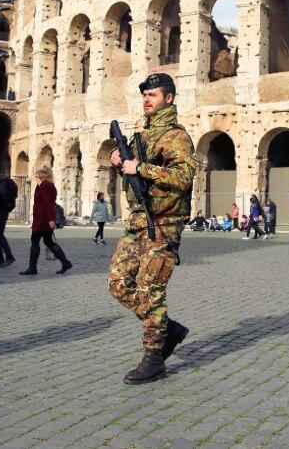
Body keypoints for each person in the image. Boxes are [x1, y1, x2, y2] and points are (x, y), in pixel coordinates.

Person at [108, 73, 197, 385]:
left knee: (150, 290)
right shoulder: (141, 137)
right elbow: (134, 179)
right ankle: (166, 328)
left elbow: (183, 177)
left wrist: (140, 167)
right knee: (118, 283)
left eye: (153, 95)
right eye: (145, 95)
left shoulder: (176, 137)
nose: (147, 100)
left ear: (168, 98)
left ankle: (154, 358)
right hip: (137, 223)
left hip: (163, 225)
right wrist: (120, 163)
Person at [19, 167, 72, 275]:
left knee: (35, 242)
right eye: (38, 171)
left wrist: (51, 219)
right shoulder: (43, 185)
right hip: (41, 218)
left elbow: (49, 204)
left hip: (42, 219)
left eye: (42, 171)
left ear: (47, 174)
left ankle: (32, 268)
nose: (38, 172)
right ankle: (65, 262)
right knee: (48, 242)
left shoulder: (46, 186)